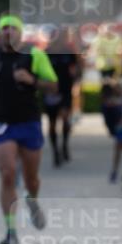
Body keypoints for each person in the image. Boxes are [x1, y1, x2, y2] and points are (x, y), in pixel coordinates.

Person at [0, 13, 58, 244]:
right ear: (0, 32)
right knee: (7, 174)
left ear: (20, 32)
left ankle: (32, 199)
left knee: (31, 178)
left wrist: (31, 80)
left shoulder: (34, 55)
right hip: (1, 124)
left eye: (12, 28)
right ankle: (11, 232)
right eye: (4, 28)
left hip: (28, 122)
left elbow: (53, 85)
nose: (8, 32)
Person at [42, 26, 79, 166]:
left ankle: (64, 145)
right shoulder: (46, 53)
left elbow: (76, 68)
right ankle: (55, 152)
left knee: (65, 118)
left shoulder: (69, 52)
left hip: (65, 90)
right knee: (52, 123)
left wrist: (75, 79)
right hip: (50, 92)